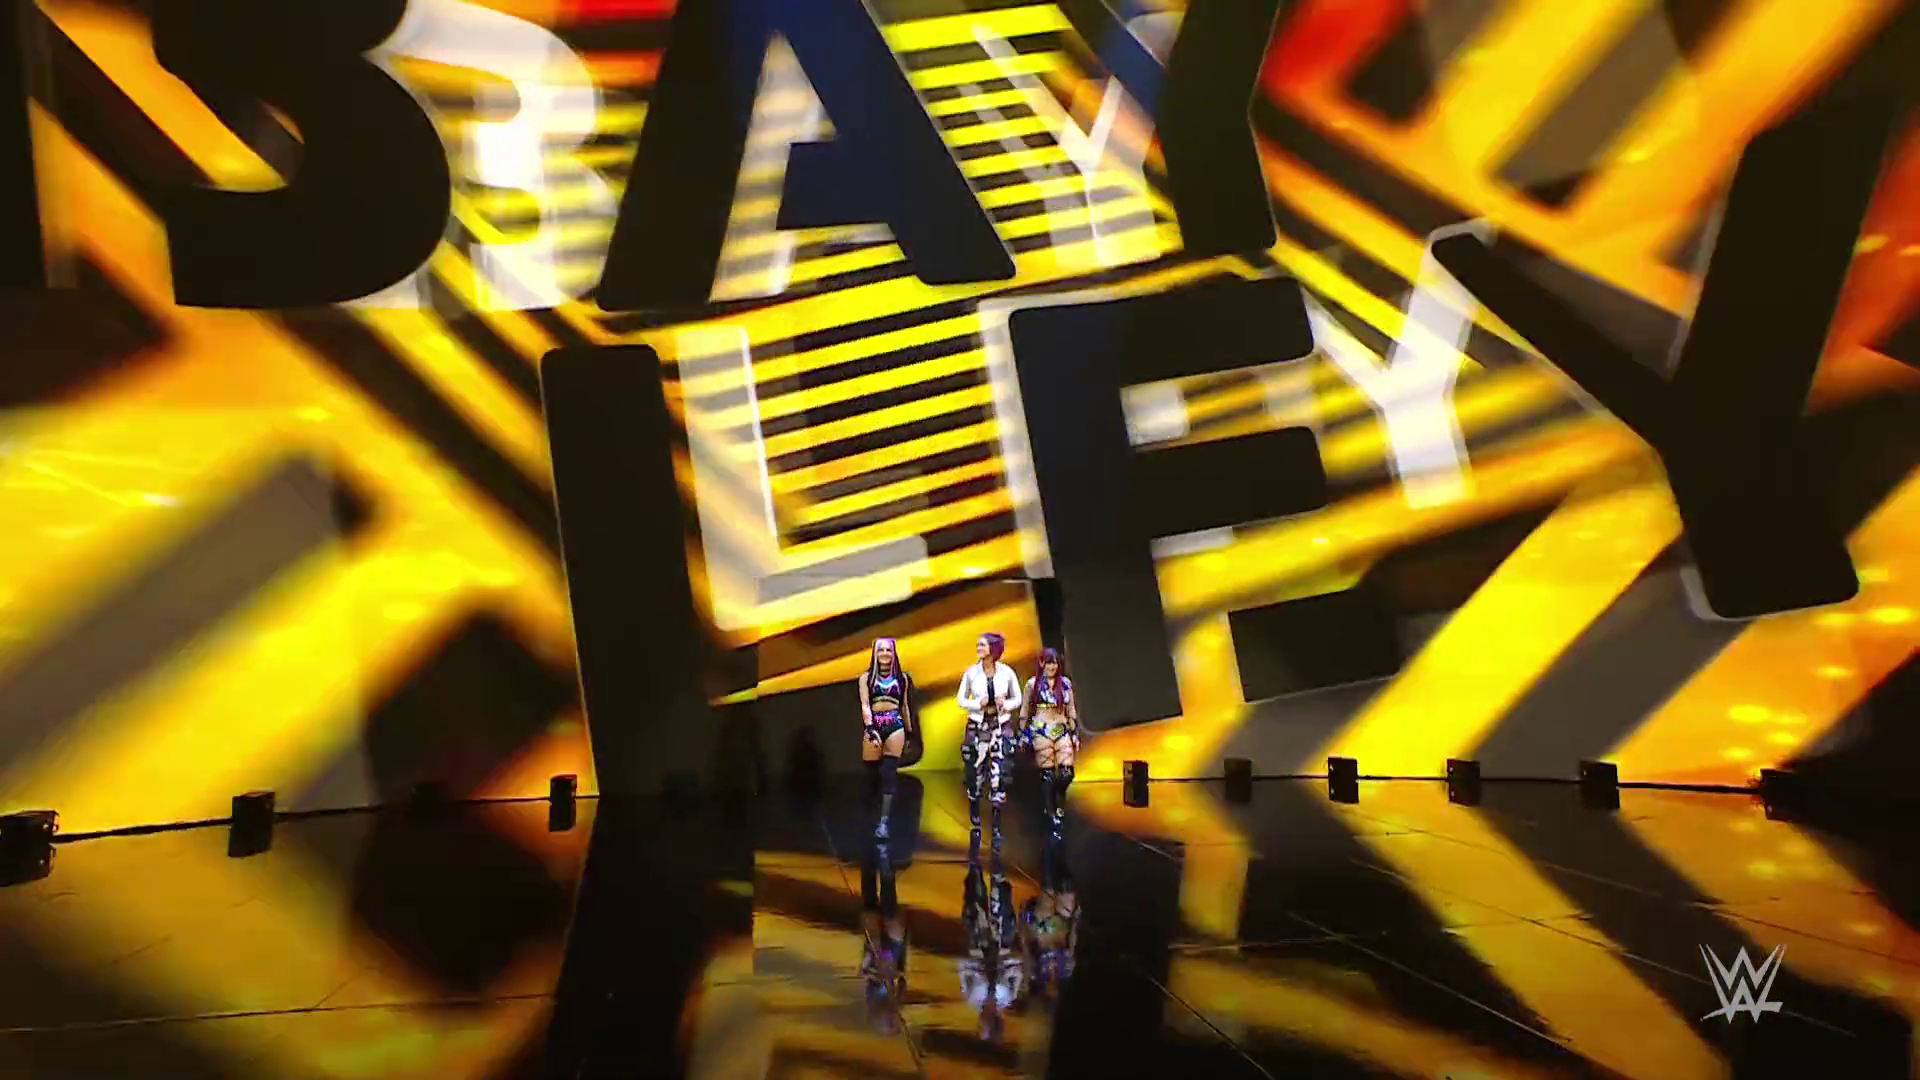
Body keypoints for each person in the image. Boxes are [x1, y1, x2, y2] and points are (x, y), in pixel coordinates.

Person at [956, 632, 1022, 846]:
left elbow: (1018, 698)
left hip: (1000, 727)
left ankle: (995, 824)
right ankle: (974, 808)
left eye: (982, 645)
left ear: (993, 649)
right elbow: (960, 699)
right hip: (978, 728)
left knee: (999, 775)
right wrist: (978, 703)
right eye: (978, 645)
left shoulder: (1007, 672)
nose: (978, 648)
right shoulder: (971, 673)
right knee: (975, 774)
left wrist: (1006, 704)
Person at [959, 848, 1023, 1044]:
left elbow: (961, 966)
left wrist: (976, 966)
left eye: (979, 1024)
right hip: (1001, 946)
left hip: (981, 945)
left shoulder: (971, 997)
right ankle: (997, 864)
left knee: (974, 913)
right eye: (983, 1024)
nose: (980, 1020)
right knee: (1005, 921)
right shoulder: (1008, 996)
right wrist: (1007, 967)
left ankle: (975, 867)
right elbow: (1018, 968)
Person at [858, 637, 916, 840]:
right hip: (875, 725)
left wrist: (909, 732)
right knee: (872, 776)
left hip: (895, 725)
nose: (884, 653)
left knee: (889, 774)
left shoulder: (902, 678)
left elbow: (904, 706)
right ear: (875, 653)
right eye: (881, 650)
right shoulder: (866, 678)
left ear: (894, 653)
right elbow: (865, 704)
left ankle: (884, 823)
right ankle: (871, 817)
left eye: (888, 650)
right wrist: (869, 727)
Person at [1021, 647, 1078, 833]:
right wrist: (1022, 733)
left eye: (1055, 663)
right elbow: (1025, 710)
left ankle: (1058, 794)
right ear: (1041, 664)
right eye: (1048, 663)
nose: (1052, 667)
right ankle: (1050, 810)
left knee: (1067, 773)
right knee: (1048, 775)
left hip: (1061, 729)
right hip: (1041, 730)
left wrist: (1075, 732)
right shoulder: (1033, 685)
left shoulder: (1065, 684)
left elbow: (1071, 710)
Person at [1022, 834, 1079, 1011]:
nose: (1053, 991)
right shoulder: (1067, 973)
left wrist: (1024, 919)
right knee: (1067, 889)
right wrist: (1076, 918)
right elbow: (1072, 943)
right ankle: (1060, 842)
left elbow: (1026, 946)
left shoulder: (1036, 975)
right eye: (1057, 995)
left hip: (1041, 924)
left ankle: (1051, 841)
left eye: (1050, 995)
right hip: (1061, 921)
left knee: (1048, 894)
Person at [859, 839, 907, 1035]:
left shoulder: (872, 995)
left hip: (879, 951)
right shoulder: (897, 999)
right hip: (893, 952)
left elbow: (868, 969)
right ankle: (886, 871)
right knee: (892, 921)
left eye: (892, 1021)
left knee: (871, 916)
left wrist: (879, 957)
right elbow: (901, 974)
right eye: (896, 1020)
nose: (896, 1017)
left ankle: (868, 868)